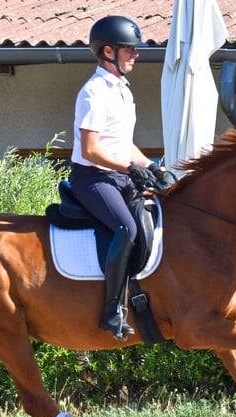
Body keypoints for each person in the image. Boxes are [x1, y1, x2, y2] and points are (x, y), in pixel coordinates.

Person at [69, 15, 171, 341]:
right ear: (108, 51)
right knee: (125, 229)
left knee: (153, 219)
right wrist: (129, 169)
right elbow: (90, 150)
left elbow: (122, 143)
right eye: (130, 49)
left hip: (119, 175)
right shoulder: (94, 92)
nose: (136, 55)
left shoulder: (122, 90)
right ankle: (111, 311)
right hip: (93, 178)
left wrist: (152, 166)